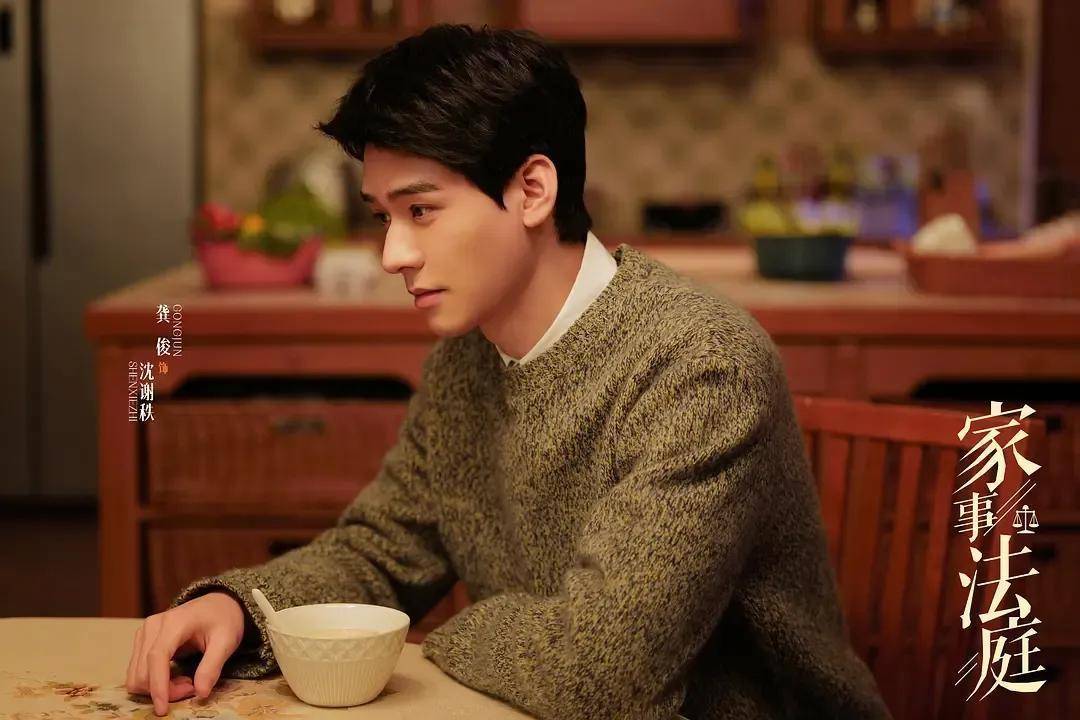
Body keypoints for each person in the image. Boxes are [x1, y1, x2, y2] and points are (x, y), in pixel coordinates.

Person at [124, 23, 893, 720]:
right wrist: (242, 607)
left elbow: (600, 677)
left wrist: (447, 633)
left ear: (532, 191)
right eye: (382, 215)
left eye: (421, 211)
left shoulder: (699, 366)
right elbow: (383, 549)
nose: (392, 254)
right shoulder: (465, 362)